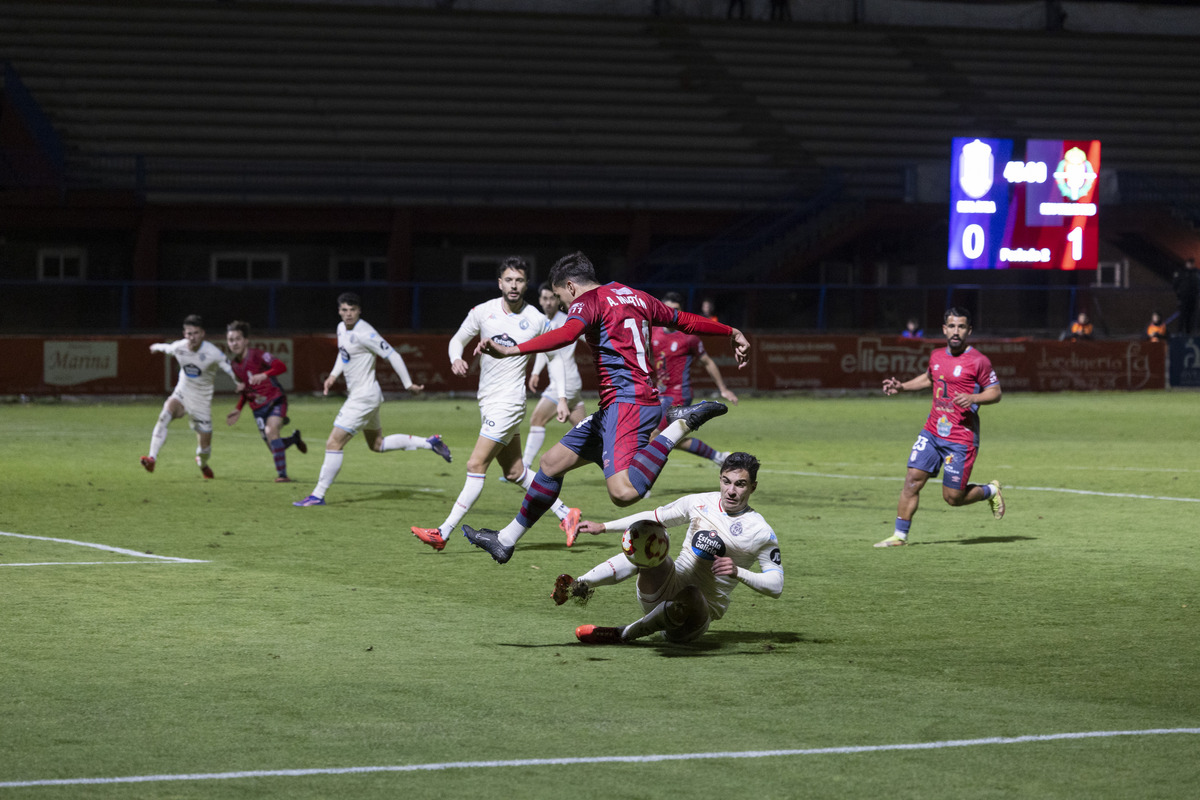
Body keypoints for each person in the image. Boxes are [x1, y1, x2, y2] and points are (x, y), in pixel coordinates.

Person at [460, 250, 751, 564]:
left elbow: (567, 333)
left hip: (630, 403)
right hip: (617, 405)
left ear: (570, 286)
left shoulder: (588, 301)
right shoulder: (638, 296)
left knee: (623, 494)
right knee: (550, 464)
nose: (566, 307)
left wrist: (512, 349)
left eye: (561, 298)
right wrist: (731, 331)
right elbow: (685, 321)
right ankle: (505, 541)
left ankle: (679, 426)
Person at [410, 259, 580, 551]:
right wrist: (456, 358)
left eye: (520, 281)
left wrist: (562, 398)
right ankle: (567, 514)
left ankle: (443, 532)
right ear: (500, 282)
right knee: (515, 471)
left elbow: (558, 360)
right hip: (488, 402)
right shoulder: (482, 312)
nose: (514, 285)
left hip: (509, 404)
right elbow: (457, 340)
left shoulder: (537, 320)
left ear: (526, 285)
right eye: (509, 280)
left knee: (476, 464)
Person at [553, 451, 782, 645]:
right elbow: (654, 516)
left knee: (692, 593)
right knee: (647, 536)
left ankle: (623, 633)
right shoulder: (700, 502)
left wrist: (738, 572)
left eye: (740, 484)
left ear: (753, 487)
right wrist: (603, 527)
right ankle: (578, 584)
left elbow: (776, 586)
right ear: (720, 479)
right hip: (661, 587)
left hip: (692, 617)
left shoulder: (760, 531)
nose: (731, 491)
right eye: (726, 481)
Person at [293, 292, 451, 507]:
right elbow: (344, 354)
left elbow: (393, 355)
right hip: (367, 396)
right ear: (339, 311)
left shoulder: (365, 333)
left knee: (333, 443)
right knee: (377, 444)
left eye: (352, 310)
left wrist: (408, 385)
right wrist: (332, 375)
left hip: (363, 398)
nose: (348, 314)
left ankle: (317, 495)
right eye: (344, 310)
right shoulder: (341, 329)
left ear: (359, 311)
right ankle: (429, 443)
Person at [875, 307, 1004, 547]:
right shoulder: (936, 356)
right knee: (912, 478)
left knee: (953, 498)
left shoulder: (979, 361)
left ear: (969, 330)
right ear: (944, 329)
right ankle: (899, 536)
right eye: (952, 326)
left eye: (961, 327)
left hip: (961, 437)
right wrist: (902, 387)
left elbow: (995, 393)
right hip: (933, 431)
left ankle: (990, 491)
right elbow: (929, 378)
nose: (956, 332)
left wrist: (973, 398)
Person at [141, 315, 236, 478]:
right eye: (189, 333)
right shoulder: (179, 347)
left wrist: (240, 382)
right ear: (184, 334)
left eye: (196, 333)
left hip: (201, 403)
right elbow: (167, 348)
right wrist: (155, 346)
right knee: (164, 415)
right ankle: (152, 458)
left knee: (204, 449)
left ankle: (202, 463)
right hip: (182, 394)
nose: (192, 337)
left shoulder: (212, 353)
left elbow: (230, 368)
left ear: (203, 333)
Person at [651, 291, 739, 467]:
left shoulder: (688, 336)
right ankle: (719, 457)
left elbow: (707, 362)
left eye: (674, 310)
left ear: (680, 311)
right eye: (666, 309)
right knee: (668, 438)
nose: (669, 314)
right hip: (659, 394)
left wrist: (723, 388)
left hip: (678, 394)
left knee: (653, 436)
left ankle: (640, 485)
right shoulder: (653, 331)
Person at [224, 320, 307, 482]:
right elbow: (247, 390)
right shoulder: (234, 365)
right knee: (273, 446)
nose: (234, 343)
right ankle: (294, 439)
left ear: (246, 340)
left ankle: (283, 476)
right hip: (257, 408)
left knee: (271, 432)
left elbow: (281, 366)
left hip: (275, 400)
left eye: (238, 339)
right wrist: (238, 408)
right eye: (230, 340)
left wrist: (265, 374)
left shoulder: (258, 355)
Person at [520, 282, 588, 472]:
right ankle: (617, 464)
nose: (548, 302)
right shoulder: (543, 322)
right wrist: (535, 372)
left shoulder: (568, 321)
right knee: (588, 432)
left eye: (552, 298)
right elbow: (545, 350)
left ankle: (524, 467)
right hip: (567, 383)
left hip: (565, 383)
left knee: (537, 419)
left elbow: (589, 336)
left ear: (557, 300)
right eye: (544, 298)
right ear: (540, 300)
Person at [1173, 258, 1199, 336]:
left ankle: (1189, 333)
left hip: (1193, 299)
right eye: (1189, 263)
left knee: (1190, 317)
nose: (1190, 265)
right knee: (1182, 316)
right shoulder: (1182, 272)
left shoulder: (1196, 273)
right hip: (1183, 298)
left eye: (1192, 264)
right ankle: (1180, 333)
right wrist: (1179, 295)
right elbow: (1175, 284)